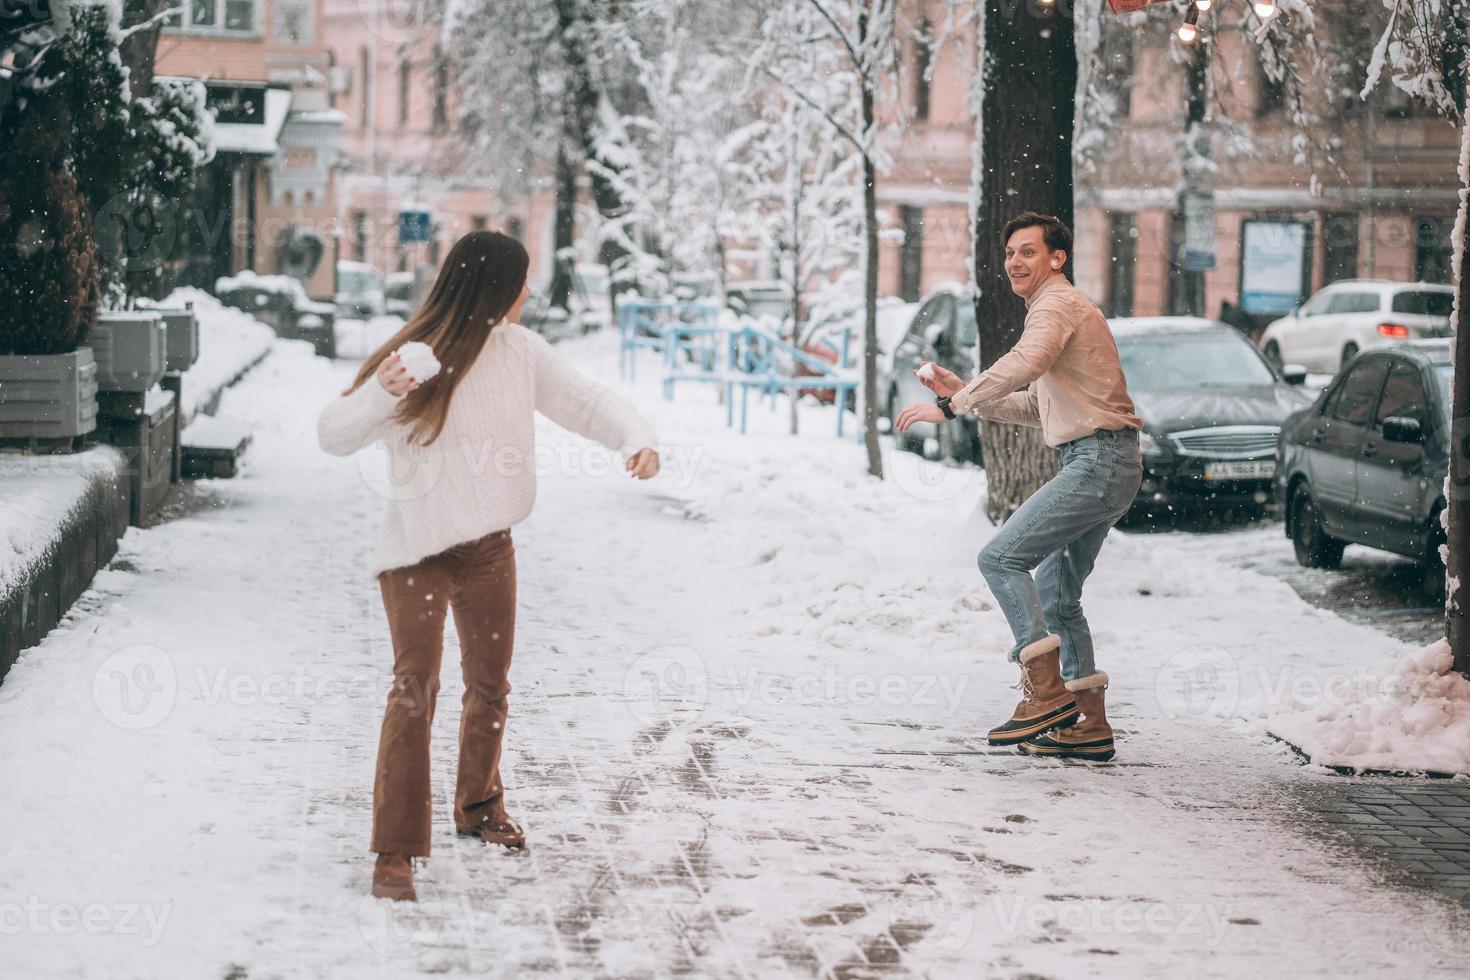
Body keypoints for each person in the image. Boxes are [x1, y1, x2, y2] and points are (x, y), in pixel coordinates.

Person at [316, 231, 660, 901]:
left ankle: (478, 807)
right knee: (415, 690)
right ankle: (396, 849)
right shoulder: (412, 356)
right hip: (416, 551)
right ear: (496, 288)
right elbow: (332, 435)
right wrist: (380, 394)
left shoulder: (522, 353)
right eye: (521, 282)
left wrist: (637, 437)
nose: (529, 294)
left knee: (491, 687)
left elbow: (586, 403)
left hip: (489, 550)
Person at [895, 212, 1143, 763]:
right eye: (1010, 253)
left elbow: (1026, 362)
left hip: (1097, 461)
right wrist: (967, 391)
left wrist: (950, 405)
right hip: (1108, 461)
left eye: (1028, 252)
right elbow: (1035, 404)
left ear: (1057, 259)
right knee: (1058, 596)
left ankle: (1047, 692)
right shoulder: (1063, 311)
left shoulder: (1057, 305)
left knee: (999, 557)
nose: (1015, 262)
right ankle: (1089, 724)